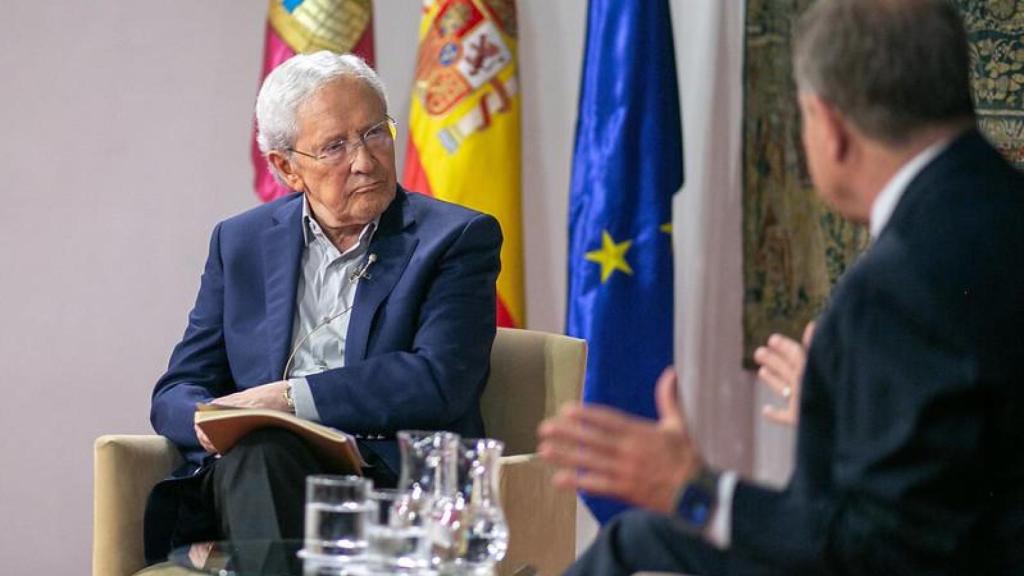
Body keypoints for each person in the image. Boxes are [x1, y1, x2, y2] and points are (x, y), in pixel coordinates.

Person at [538, 0, 1024, 574]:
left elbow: (884, 552)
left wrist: (695, 491)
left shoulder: (893, 288)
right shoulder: (1001, 205)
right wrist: (843, 405)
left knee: (637, 537)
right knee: (642, 540)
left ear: (830, 125)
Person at [143, 51, 502, 564]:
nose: (364, 159)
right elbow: (177, 389)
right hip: (254, 471)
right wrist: (215, 420)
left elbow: (439, 381)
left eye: (375, 133)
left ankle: (237, 559)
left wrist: (288, 399)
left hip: (380, 484)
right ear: (287, 167)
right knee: (262, 454)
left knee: (264, 462)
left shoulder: (455, 238)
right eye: (335, 146)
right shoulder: (240, 241)